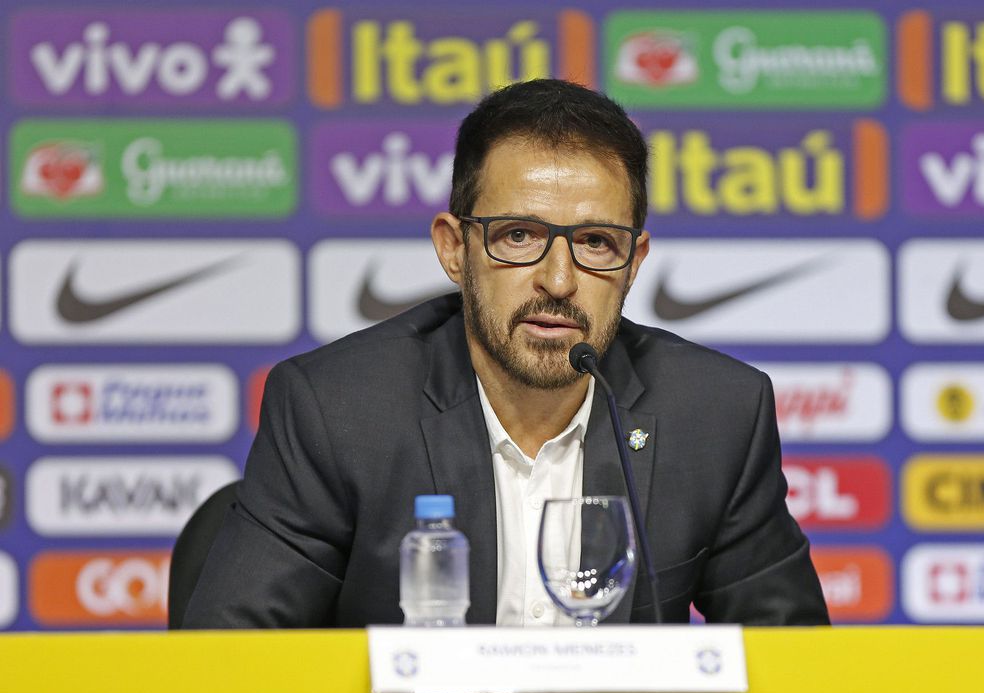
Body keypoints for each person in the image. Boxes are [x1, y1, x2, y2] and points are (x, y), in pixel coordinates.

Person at [182, 79, 828, 627]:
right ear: (453, 248)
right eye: (519, 236)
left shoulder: (713, 415)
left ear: (634, 262)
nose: (558, 280)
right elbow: (233, 661)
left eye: (596, 243)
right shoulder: (339, 412)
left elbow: (799, 665)